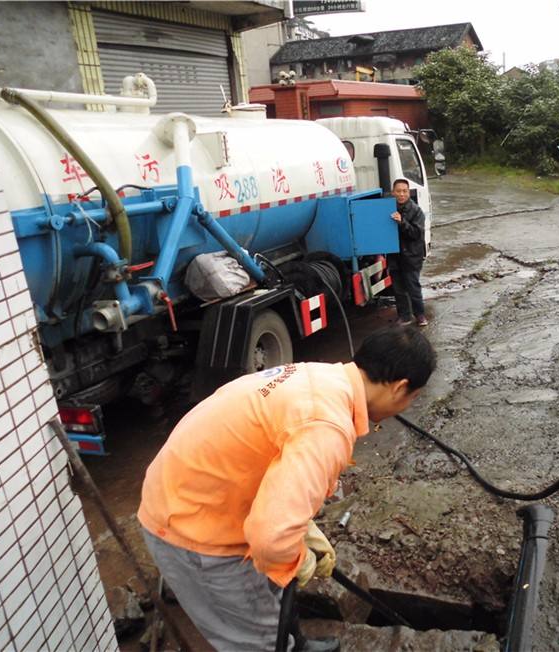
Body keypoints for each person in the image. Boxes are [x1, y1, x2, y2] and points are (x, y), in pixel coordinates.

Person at [138, 326, 436, 651]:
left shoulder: (320, 377)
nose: (408, 404)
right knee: (258, 641)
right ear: (400, 388)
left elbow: (269, 460)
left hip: (204, 494)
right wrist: (297, 557)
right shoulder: (326, 426)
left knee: (276, 593)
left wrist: (301, 530)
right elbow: (271, 541)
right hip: (194, 531)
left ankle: (296, 644)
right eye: (414, 397)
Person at [387, 178, 428, 327]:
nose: (401, 194)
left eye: (404, 191)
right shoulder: (388, 208)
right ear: (393, 192)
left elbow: (416, 234)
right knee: (398, 289)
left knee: (413, 288)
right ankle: (404, 316)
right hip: (394, 256)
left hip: (411, 256)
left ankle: (420, 315)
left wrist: (402, 222)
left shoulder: (416, 211)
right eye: (398, 191)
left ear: (409, 192)